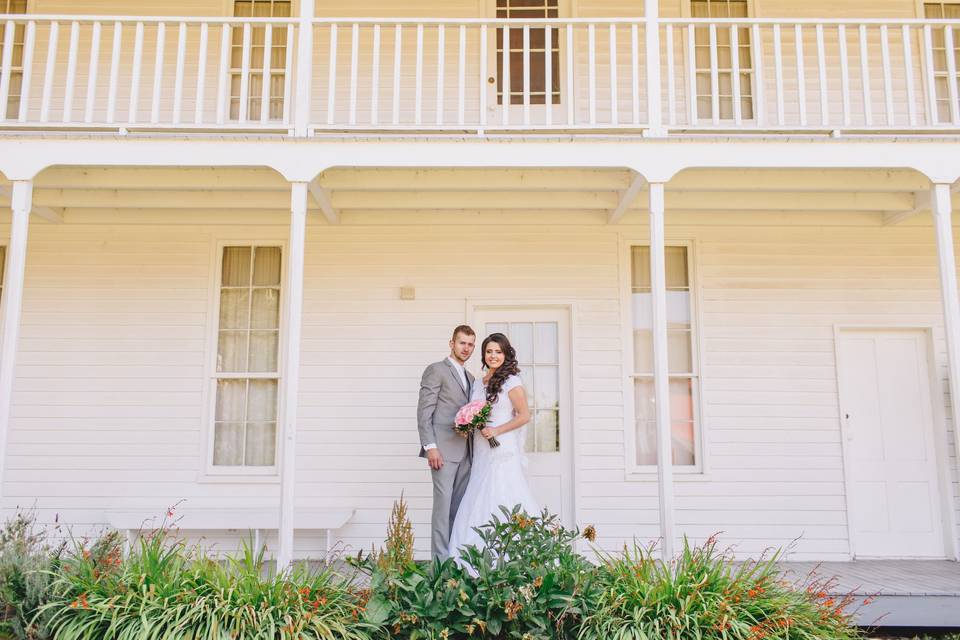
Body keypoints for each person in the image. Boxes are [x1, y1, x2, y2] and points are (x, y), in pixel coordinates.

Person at [448, 332, 540, 561]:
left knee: (501, 495)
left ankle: (512, 557)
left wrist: (497, 431)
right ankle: (474, 558)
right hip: (481, 450)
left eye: (498, 351)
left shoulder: (512, 381)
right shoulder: (478, 383)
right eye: (489, 351)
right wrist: (467, 424)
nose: (493, 355)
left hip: (501, 448)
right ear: (484, 355)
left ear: (506, 353)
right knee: (478, 496)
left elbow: (525, 416)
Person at [417, 325, 477, 560]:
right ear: (452, 343)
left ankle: (454, 560)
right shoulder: (436, 370)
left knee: (457, 511)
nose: (466, 348)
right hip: (442, 452)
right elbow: (424, 412)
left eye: (471, 344)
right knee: (442, 511)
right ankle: (440, 566)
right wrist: (430, 446)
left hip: (467, 454)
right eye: (462, 343)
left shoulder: (471, 378)